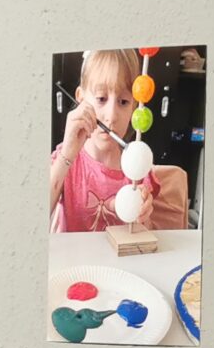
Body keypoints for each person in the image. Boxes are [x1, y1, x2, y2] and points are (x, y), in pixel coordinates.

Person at [49, 47, 189, 232]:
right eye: (101, 99)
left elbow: (144, 236)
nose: (111, 116)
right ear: (80, 99)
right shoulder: (67, 159)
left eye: (123, 102)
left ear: (134, 108)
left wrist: (143, 218)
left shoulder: (138, 170)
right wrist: (67, 154)